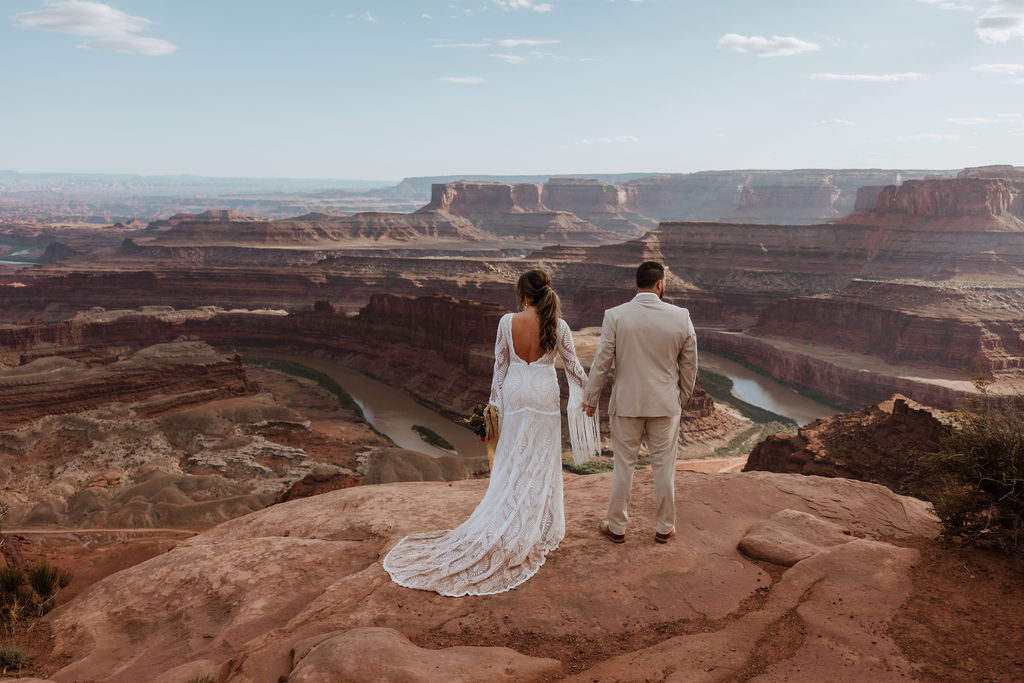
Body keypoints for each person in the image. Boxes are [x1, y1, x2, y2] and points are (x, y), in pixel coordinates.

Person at [383, 269, 600, 596]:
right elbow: (573, 368)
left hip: (514, 393)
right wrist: (590, 397)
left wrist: (493, 404)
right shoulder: (560, 325)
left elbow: (499, 366)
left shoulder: (506, 323)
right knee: (541, 460)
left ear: (523, 295)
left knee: (513, 457)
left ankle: (507, 518)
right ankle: (540, 528)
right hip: (542, 394)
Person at [582, 261, 698, 544]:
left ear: (638, 283)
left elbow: (602, 363)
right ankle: (664, 527)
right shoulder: (681, 316)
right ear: (660, 284)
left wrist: (590, 398)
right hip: (665, 405)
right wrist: (679, 398)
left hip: (627, 404)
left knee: (624, 466)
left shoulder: (616, 315)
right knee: (664, 467)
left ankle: (617, 527)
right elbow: (690, 366)